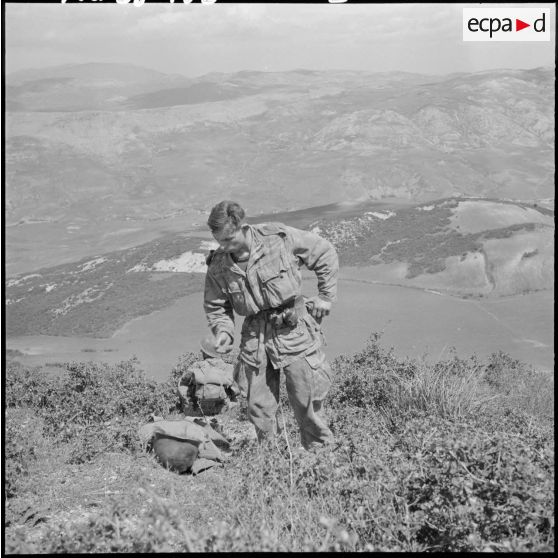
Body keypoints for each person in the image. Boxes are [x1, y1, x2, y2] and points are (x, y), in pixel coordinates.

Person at [203, 200, 339, 450]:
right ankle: (272, 462)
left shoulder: (278, 238)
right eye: (220, 241)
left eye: (229, 239)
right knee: (259, 406)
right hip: (255, 337)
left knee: (307, 397)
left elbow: (324, 252)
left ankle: (321, 457)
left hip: (293, 328)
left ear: (242, 226)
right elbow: (216, 305)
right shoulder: (219, 264)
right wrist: (223, 331)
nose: (225, 246)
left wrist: (325, 297)